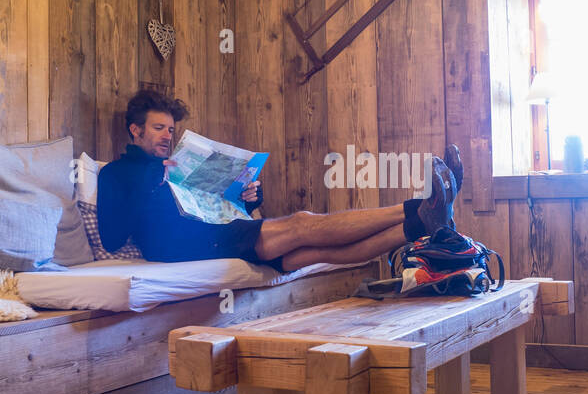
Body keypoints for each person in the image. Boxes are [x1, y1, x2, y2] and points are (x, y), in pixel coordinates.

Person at [96, 89, 462, 274]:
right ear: (135, 130)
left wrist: (246, 197)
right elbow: (112, 238)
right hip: (178, 243)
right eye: (159, 128)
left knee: (313, 253)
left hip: (216, 229)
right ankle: (420, 206)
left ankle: (420, 224)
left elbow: (209, 200)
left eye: (171, 129)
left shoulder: (175, 164)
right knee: (302, 223)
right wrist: (153, 182)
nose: (167, 135)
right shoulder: (116, 173)